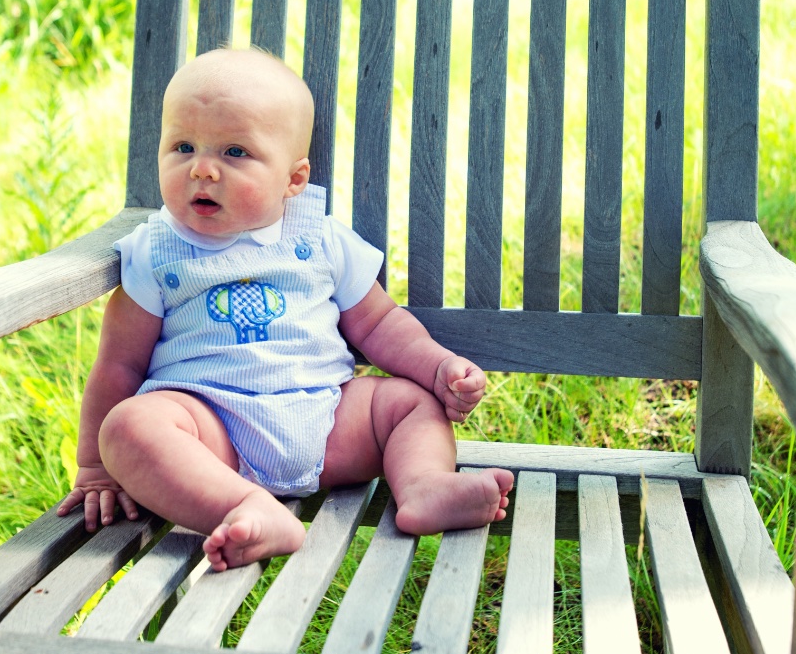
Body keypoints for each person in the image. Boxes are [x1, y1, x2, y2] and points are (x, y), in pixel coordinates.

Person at [56, 47, 513, 571]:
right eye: (183, 146)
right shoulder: (155, 252)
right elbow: (118, 365)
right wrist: (95, 466)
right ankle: (246, 508)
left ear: (293, 180)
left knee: (409, 403)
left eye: (234, 152)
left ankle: (426, 487)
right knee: (129, 427)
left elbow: (380, 323)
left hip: (328, 419)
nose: (202, 169)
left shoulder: (318, 238)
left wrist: (437, 368)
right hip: (212, 434)